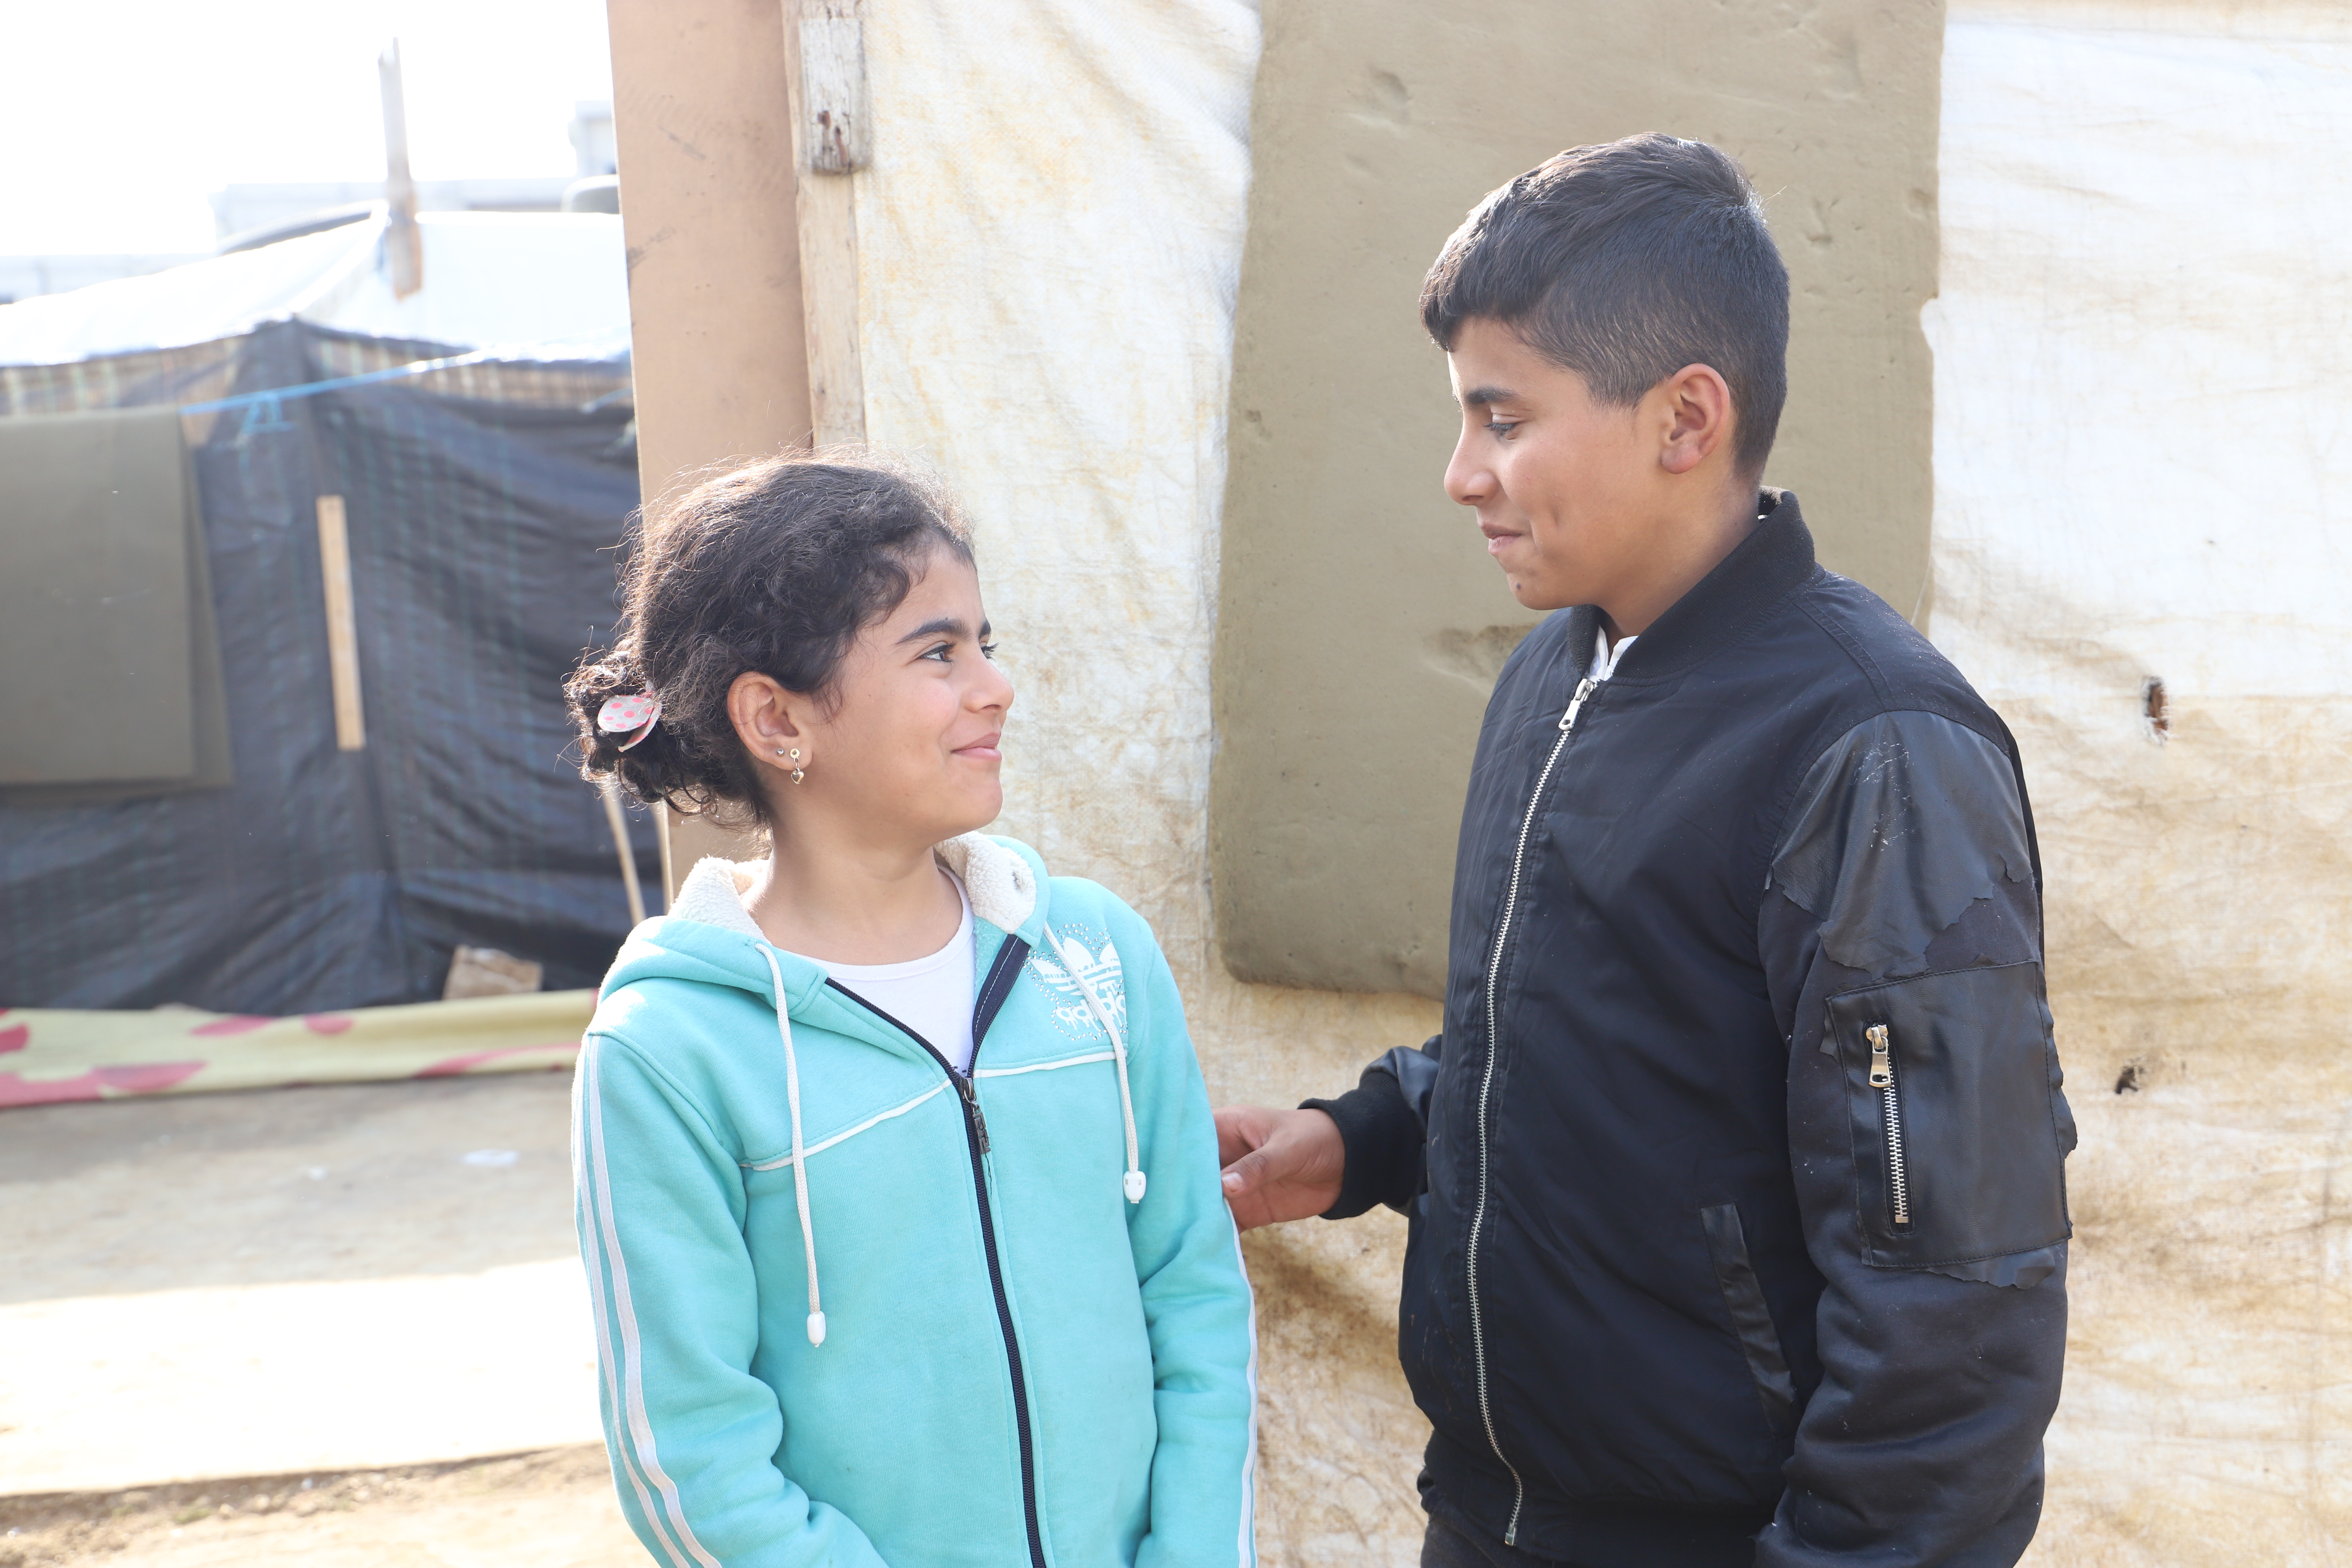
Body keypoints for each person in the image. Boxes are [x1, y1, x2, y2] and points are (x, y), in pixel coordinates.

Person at [1215, 135, 2073, 1568]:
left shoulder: (1876, 747)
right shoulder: (1556, 676)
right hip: (1492, 1519)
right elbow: (1591, 1044)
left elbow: (1953, 1288)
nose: (1459, 476)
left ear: (1686, 419)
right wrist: (1364, 1139)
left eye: (1502, 419)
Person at [566, 454, 1257, 1568]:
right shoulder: (669, 1053)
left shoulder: (1095, 956)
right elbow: (689, 1451)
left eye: (987, 643)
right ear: (778, 722)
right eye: (939, 652)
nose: (995, 686)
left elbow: (1195, 1298)